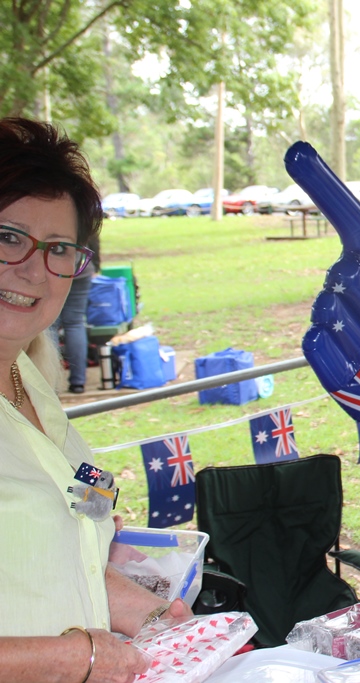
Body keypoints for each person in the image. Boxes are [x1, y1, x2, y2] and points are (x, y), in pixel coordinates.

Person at [0, 117, 192, 683]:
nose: (34, 270)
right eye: (8, 237)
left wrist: (161, 620)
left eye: (59, 247)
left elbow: (46, 558)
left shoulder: (32, 383)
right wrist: (75, 657)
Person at [52, 234, 99, 393]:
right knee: (75, 323)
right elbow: (93, 237)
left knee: (49, 326)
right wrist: (96, 265)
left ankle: (50, 384)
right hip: (82, 267)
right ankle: (78, 382)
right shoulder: (81, 211)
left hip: (54, 269)